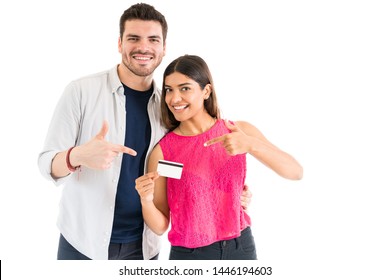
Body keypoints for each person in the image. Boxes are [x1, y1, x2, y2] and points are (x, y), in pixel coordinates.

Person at [38, 3, 251, 260]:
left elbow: (184, 167)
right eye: (133, 38)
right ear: (120, 44)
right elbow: (45, 164)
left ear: (163, 49)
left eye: (153, 39)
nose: (143, 47)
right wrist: (77, 156)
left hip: (143, 247)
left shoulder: (171, 109)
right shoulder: (81, 91)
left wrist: (228, 192)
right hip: (83, 243)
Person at [135, 55, 303, 260]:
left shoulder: (237, 130)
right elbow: (160, 226)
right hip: (191, 256)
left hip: (241, 247)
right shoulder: (163, 152)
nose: (174, 98)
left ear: (206, 91)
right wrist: (146, 200)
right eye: (169, 89)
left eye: (185, 88)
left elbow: (295, 172)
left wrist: (251, 144)